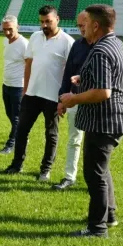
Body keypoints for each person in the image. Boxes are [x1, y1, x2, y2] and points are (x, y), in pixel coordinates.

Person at [60, 4, 123, 238]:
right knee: (102, 170)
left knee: (94, 175)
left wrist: (73, 98)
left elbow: (103, 92)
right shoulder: (116, 44)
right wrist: (85, 77)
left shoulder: (100, 50)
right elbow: (109, 79)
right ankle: (108, 215)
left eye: (86, 22)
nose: (83, 27)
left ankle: (97, 228)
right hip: (111, 118)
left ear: (96, 25)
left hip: (104, 121)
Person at [3, 5, 75, 182]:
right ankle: (16, 165)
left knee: (51, 134)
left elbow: (71, 72)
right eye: (42, 21)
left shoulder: (67, 41)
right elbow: (28, 65)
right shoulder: (35, 37)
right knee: (21, 130)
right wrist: (26, 90)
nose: (44, 25)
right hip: (32, 94)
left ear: (57, 19)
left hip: (53, 96)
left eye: (48, 21)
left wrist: (64, 99)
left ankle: (45, 170)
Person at [52, 11, 92, 191]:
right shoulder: (77, 45)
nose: (81, 29)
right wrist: (62, 99)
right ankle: (70, 176)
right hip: (75, 100)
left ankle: (96, 180)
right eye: (78, 26)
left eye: (83, 25)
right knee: (74, 139)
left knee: (95, 145)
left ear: (93, 24)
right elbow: (68, 73)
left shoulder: (103, 46)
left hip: (97, 103)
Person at [0, 15, 28, 155]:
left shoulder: (24, 44)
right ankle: (21, 134)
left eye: (10, 29)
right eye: (4, 29)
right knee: (9, 114)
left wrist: (26, 88)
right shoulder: (6, 41)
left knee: (17, 117)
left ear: (18, 27)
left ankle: (11, 143)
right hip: (6, 84)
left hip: (19, 86)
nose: (7, 33)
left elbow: (30, 66)